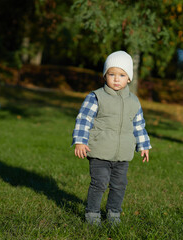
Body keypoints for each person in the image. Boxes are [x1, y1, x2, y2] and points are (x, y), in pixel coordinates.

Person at [72, 51, 152, 226]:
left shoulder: (134, 101)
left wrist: (144, 146)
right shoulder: (96, 97)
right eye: (112, 74)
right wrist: (80, 141)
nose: (116, 79)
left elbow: (139, 125)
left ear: (129, 78)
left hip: (122, 154)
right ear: (105, 75)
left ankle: (113, 213)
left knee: (119, 185)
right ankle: (92, 214)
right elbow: (84, 119)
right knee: (99, 183)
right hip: (99, 151)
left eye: (122, 75)